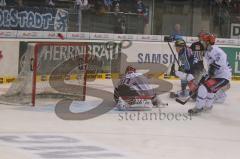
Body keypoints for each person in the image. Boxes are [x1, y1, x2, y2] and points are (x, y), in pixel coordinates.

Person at [188, 33, 232, 115]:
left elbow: (223, 57)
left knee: (203, 88)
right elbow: (211, 67)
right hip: (218, 75)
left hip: (223, 76)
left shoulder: (213, 49)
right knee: (210, 89)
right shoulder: (208, 51)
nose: (202, 43)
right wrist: (206, 75)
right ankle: (208, 106)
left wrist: (214, 67)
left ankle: (198, 107)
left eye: (203, 41)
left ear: (208, 42)